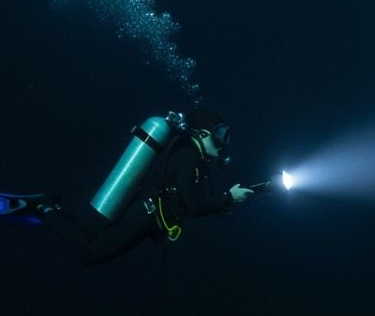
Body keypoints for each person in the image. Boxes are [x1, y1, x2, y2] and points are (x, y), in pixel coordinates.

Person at [40, 108, 254, 266]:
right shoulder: (188, 156)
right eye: (220, 136)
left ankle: (52, 207)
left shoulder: (193, 157)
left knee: (93, 231)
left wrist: (224, 203)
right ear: (203, 134)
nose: (224, 143)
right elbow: (193, 205)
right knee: (90, 254)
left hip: (145, 217)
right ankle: (44, 210)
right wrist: (228, 198)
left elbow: (197, 200)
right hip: (142, 217)